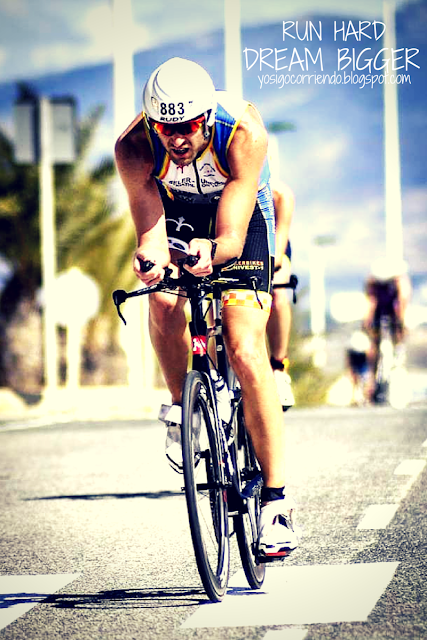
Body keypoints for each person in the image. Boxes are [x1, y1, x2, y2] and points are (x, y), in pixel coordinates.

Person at [114, 57, 300, 558]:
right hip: (178, 213)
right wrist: (149, 260)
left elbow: (232, 237)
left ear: (207, 117)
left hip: (241, 221)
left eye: (188, 127)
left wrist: (212, 251)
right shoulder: (134, 146)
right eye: (165, 128)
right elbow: (150, 235)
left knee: (243, 347)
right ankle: (183, 407)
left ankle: (276, 504)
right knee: (161, 297)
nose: (176, 139)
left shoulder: (243, 133)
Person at [363, 257, 411, 402]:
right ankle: (373, 375)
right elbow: (371, 303)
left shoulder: (401, 281)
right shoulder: (372, 281)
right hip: (380, 310)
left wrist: (401, 323)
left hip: (393, 308)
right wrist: (368, 322)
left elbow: (402, 302)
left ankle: (398, 351)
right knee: (374, 342)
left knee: (398, 329)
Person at [267, 182, 295, 411]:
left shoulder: (280, 196)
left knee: (276, 290)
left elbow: (277, 254)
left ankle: (278, 367)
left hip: (270, 244)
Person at [346, 329, 371, 405]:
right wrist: (350, 369)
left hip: (362, 362)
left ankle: (364, 398)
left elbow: (368, 355)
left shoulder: (363, 340)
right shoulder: (355, 341)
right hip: (357, 361)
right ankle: (356, 398)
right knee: (356, 381)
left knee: (364, 380)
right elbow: (349, 357)